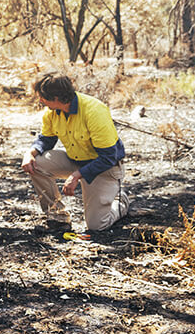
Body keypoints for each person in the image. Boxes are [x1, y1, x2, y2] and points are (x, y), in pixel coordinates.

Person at [19, 72, 130, 234]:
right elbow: (46, 140)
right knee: (37, 163)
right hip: (76, 161)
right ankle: (57, 217)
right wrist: (29, 153)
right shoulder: (51, 112)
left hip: (104, 168)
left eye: (43, 97)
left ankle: (121, 201)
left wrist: (77, 175)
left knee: (97, 225)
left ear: (56, 97)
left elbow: (109, 157)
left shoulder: (94, 111)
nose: (40, 101)